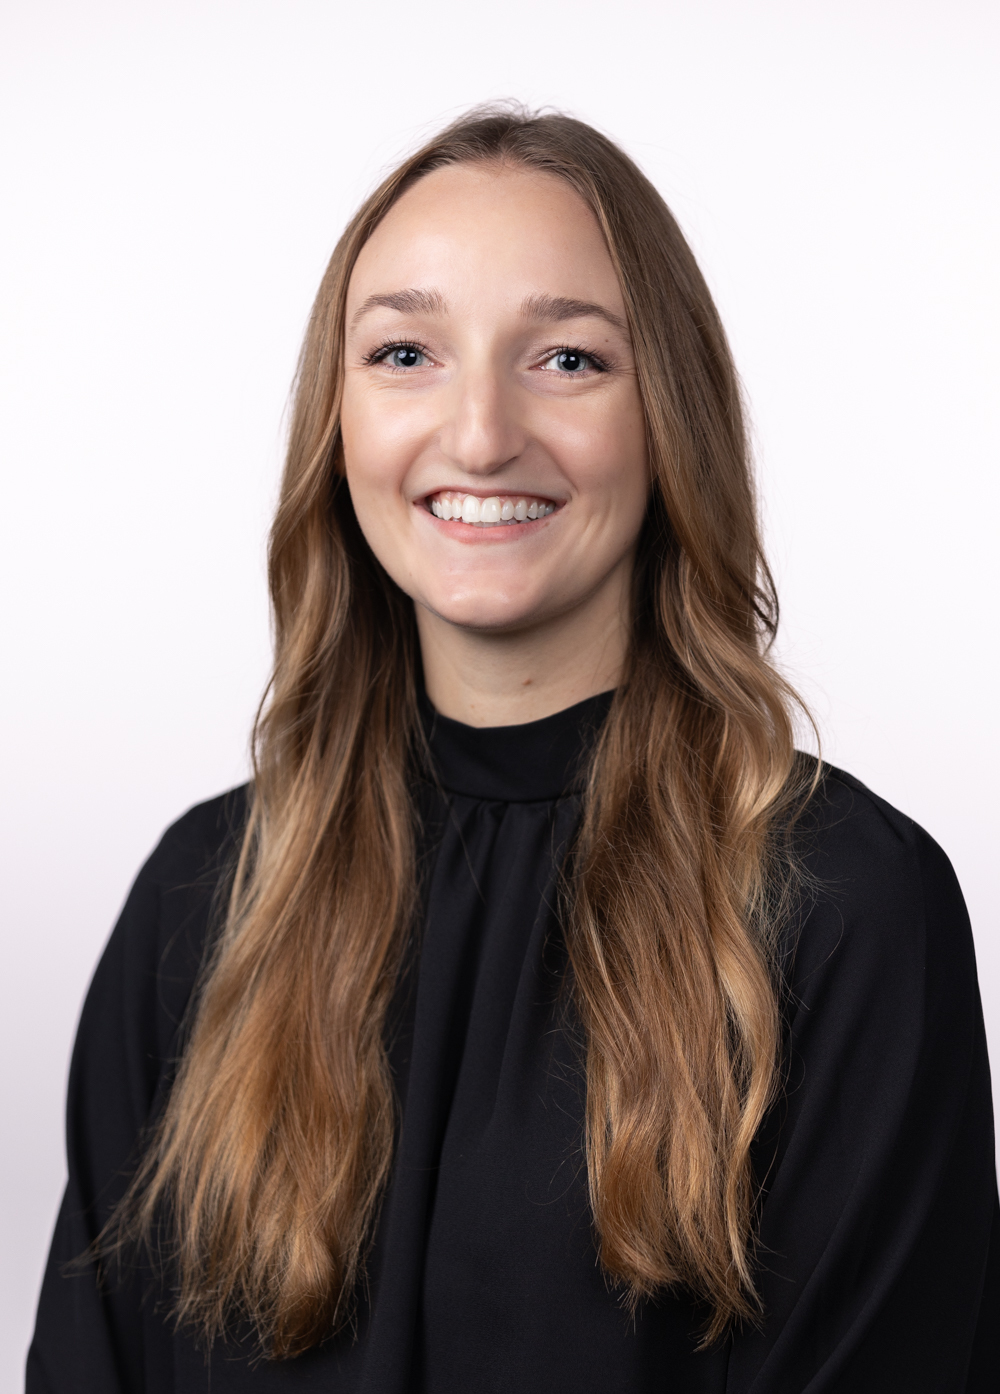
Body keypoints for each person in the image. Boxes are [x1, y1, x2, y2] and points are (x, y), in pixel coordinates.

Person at [27, 105, 997, 1393]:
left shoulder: (846, 910)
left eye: (568, 361)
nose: (479, 433)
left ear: (672, 420)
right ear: (338, 420)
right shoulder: (201, 901)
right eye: (407, 352)